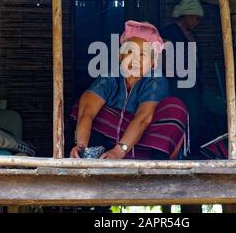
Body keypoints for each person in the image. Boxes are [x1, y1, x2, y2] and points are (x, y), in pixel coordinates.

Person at [70, 20, 189, 160]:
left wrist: (119, 151)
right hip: (110, 141)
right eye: (130, 52)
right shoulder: (111, 78)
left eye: (142, 55)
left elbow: (143, 118)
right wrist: (81, 145)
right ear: (120, 56)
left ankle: (153, 159)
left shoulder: (156, 81)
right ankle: (98, 152)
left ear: (152, 63)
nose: (135, 60)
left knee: (175, 107)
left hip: (142, 141)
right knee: (83, 102)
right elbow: (87, 111)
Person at [161, 0, 206, 157]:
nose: (197, 23)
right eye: (195, 18)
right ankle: (180, 152)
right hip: (177, 84)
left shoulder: (189, 34)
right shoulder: (170, 33)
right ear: (186, 15)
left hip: (191, 83)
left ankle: (190, 151)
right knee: (186, 116)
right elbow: (164, 59)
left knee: (197, 116)